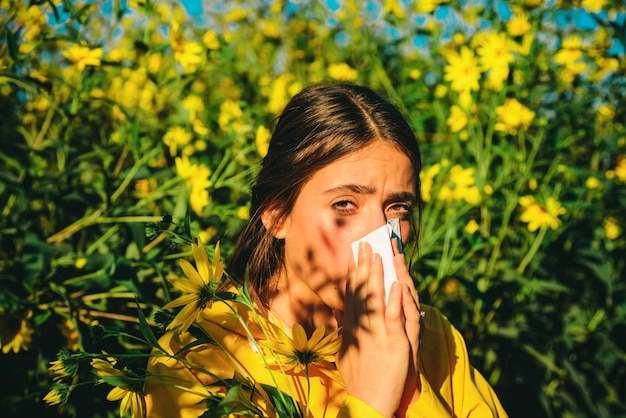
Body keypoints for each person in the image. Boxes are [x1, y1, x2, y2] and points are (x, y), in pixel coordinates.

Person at [144, 83, 508, 417]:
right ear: (277, 214)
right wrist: (372, 404)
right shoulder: (198, 358)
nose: (380, 234)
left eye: (399, 208)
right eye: (345, 204)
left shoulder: (435, 337)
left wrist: (411, 387)